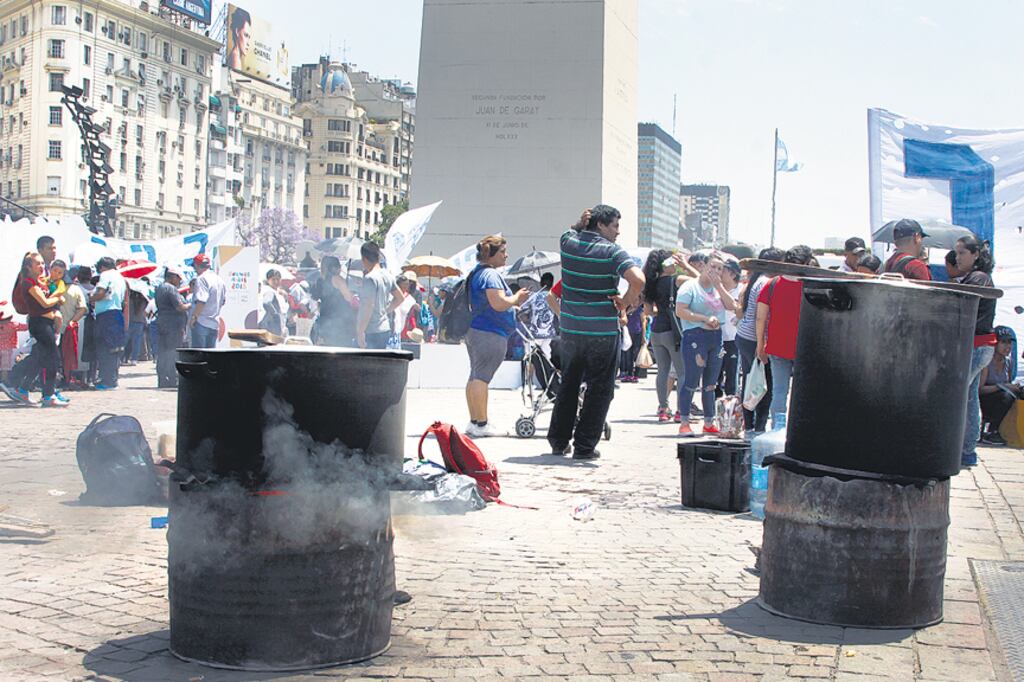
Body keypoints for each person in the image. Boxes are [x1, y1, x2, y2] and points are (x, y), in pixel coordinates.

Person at [549, 206, 644, 459]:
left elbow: (572, 230)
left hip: (571, 330)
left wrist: (580, 223)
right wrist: (625, 302)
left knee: (568, 384)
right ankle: (584, 446)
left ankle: (558, 441)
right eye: (614, 226)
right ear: (601, 225)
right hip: (602, 331)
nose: (617, 232)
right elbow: (638, 280)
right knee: (600, 389)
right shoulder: (612, 251)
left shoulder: (567, 242)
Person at [463, 235, 530, 437]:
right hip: (490, 333)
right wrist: (517, 298)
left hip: (477, 330)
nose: (506, 255)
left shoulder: (477, 273)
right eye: (502, 252)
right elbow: (498, 303)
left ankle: (475, 421)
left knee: (475, 376)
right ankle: (482, 425)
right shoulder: (490, 275)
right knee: (481, 378)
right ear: (490, 254)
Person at [675, 253, 736, 436]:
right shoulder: (690, 287)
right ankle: (684, 421)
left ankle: (709, 421)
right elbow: (680, 311)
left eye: (720, 268)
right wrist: (704, 318)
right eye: (712, 266)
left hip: (716, 337)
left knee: (711, 383)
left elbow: (732, 306)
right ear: (704, 266)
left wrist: (719, 286)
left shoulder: (719, 289)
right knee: (691, 380)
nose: (715, 271)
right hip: (695, 336)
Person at [755, 244, 814, 427]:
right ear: (807, 262)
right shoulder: (811, 285)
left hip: (777, 346)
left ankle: (778, 428)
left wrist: (760, 344)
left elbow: (760, 317)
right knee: (803, 392)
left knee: (779, 391)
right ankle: (800, 428)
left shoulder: (772, 284)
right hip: (805, 347)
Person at [2, 253, 68, 406]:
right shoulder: (28, 283)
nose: (41, 266)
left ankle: (23, 388)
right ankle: (48, 395)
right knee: (52, 357)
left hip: (47, 322)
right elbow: (45, 303)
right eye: (37, 263)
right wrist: (57, 298)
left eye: (42, 263)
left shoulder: (42, 281)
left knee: (40, 358)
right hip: (39, 324)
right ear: (29, 267)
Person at [956, 234, 996, 468]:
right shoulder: (977, 277)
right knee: (969, 397)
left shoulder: (978, 278)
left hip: (976, 345)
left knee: (958, 396)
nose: (957, 257)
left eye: (962, 253)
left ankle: (961, 448)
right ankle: (967, 450)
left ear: (976, 254)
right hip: (980, 346)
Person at [642, 250, 696, 423]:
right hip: (673, 332)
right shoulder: (676, 280)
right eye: (673, 262)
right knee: (683, 372)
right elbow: (702, 281)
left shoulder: (650, 283)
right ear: (666, 265)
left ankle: (663, 409)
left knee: (662, 371)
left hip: (656, 331)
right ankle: (681, 410)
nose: (675, 265)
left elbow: (648, 311)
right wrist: (686, 266)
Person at [735, 247, 784, 433]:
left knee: (750, 381)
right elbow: (760, 317)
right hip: (755, 337)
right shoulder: (767, 282)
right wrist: (761, 344)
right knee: (764, 385)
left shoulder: (756, 279)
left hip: (744, 335)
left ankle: (749, 425)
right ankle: (759, 427)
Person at [90, 256, 128, 390]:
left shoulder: (105, 275)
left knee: (104, 348)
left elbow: (101, 293)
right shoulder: (121, 278)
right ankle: (112, 379)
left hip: (106, 315)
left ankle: (107, 381)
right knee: (115, 349)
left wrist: (91, 298)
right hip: (117, 313)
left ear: (102, 267)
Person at [357, 242, 402, 350]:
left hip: (372, 330)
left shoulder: (370, 278)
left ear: (364, 259)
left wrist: (360, 331)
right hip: (384, 328)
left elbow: (368, 306)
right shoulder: (388, 276)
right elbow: (400, 298)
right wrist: (385, 311)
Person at [980, 327, 1019, 445]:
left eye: (1009, 343)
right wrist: (1001, 386)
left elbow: (1008, 384)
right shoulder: (987, 362)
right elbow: (980, 390)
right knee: (1005, 396)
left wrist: (1013, 387)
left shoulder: (1008, 362)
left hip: (1001, 396)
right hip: (986, 399)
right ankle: (990, 431)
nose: (1008, 347)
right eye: (1003, 342)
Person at [53, 261, 87, 387]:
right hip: (65, 328)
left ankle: (56, 380)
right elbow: (83, 309)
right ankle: (64, 380)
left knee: (56, 356)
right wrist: (72, 321)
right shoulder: (76, 289)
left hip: (56, 328)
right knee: (66, 357)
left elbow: (82, 308)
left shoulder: (53, 287)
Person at [155, 266, 190, 388]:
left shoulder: (160, 288)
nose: (180, 280)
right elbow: (180, 307)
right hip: (173, 325)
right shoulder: (171, 289)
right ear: (172, 277)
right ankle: (171, 379)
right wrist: (191, 304)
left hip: (163, 323)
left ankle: (162, 379)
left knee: (163, 352)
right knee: (172, 352)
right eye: (178, 278)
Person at [310, 256, 356, 347]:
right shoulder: (337, 279)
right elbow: (349, 298)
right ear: (335, 267)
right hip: (339, 324)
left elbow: (317, 300)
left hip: (324, 322)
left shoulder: (320, 280)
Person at [188, 253, 226, 349]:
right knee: (210, 355)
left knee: (199, 355)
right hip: (214, 323)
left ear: (196, 265)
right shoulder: (219, 280)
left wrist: (194, 318)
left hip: (201, 321)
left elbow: (201, 301)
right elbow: (223, 301)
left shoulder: (201, 279)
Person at [718, 259, 742, 397]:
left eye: (723, 270)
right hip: (717, 337)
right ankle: (714, 404)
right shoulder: (715, 289)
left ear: (733, 274)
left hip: (734, 339)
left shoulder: (741, 291)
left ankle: (731, 404)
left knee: (732, 375)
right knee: (715, 375)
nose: (719, 273)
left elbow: (735, 307)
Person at [519, 271, 558, 357]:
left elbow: (522, 311)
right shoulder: (556, 298)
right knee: (546, 355)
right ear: (552, 284)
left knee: (530, 356)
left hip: (534, 333)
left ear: (540, 283)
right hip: (549, 332)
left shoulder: (533, 296)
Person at [259, 269, 289, 338]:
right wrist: (276, 315)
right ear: (268, 280)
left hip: (278, 326)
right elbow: (266, 303)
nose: (276, 282)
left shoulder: (278, 292)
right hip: (270, 326)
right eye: (273, 279)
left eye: (278, 279)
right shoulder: (268, 291)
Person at [123, 287, 149, 365]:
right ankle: (134, 359)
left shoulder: (129, 299)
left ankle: (121, 358)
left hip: (129, 321)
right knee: (136, 342)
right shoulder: (144, 300)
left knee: (124, 341)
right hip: (139, 322)